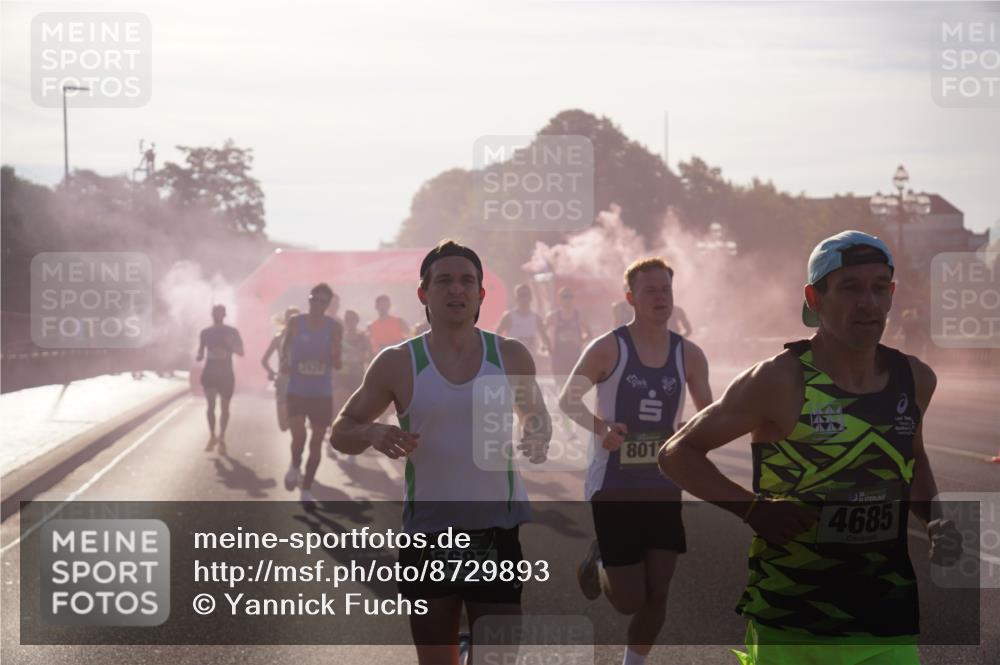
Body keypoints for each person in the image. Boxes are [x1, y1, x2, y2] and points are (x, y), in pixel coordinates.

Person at [659, 231, 963, 665]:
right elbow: (677, 452)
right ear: (814, 298)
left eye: (880, 287)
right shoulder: (778, 379)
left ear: (893, 295)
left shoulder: (915, 379)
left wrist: (934, 519)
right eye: (850, 287)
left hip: (884, 617)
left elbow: (910, 458)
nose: (869, 302)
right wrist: (752, 510)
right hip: (791, 620)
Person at [330, 239, 552, 665]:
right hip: (429, 536)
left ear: (481, 294)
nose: (456, 289)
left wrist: (537, 437)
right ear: (423, 294)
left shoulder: (510, 355)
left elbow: (536, 416)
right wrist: (373, 432)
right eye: (444, 280)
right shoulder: (398, 362)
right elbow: (341, 431)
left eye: (467, 281)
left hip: (495, 533)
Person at [558, 257, 713, 665]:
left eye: (666, 289)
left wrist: (690, 436)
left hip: (663, 484)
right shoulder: (609, 347)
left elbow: (708, 414)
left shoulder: (690, 355)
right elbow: (567, 399)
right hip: (614, 484)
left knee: (659, 590)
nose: (660, 297)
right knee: (630, 600)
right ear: (631, 297)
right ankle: (601, 559)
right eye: (650, 290)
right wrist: (601, 429)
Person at [280, 283, 343, 506]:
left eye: (322, 301)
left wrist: (335, 356)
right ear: (308, 299)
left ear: (328, 305)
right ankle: (295, 464)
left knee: (316, 442)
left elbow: (338, 363)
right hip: (297, 389)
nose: (316, 304)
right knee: (299, 437)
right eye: (313, 299)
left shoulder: (334, 327)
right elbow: (284, 347)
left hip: (321, 393)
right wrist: (284, 363)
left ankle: (306, 488)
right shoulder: (295, 322)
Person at [196, 304, 244, 452]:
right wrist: (199, 356)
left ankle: (222, 437)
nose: (217, 315)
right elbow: (200, 353)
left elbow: (241, 352)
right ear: (211, 314)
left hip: (226, 374)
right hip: (210, 373)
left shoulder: (232, 332)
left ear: (224, 315)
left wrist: (230, 346)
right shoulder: (205, 332)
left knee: (225, 408)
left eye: (220, 313)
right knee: (210, 406)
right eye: (215, 313)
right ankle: (212, 436)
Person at [261, 306, 300, 433]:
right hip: (283, 380)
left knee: (298, 422)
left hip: (302, 381)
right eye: (290, 318)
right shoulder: (278, 338)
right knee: (283, 426)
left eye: (296, 318)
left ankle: (298, 443)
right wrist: (271, 372)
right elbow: (264, 360)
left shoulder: (306, 337)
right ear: (286, 320)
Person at [545, 286, 592, 377]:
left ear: (573, 298)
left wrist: (580, 340)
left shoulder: (579, 316)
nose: (567, 299)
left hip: (574, 355)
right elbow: (542, 331)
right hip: (558, 356)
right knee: (560, 384)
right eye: (564, 296)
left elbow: (589, 334)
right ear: (560, 299)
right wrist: (547, 345)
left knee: (574, 384)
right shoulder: (553, 316)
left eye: (570, 296)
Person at [497, 283, 551, 360]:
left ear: (530, 297)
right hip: (512, 359)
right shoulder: (508, 316)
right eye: (520, 295)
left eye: (525, 295)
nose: (523, 298)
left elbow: (545, 338)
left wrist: (547, 350)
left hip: (531, 360)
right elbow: (496, 335)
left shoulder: (536, 318)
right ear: (516, 298)